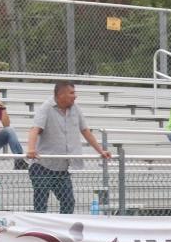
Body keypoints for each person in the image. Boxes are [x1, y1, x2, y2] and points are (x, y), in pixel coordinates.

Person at [26, 81, 112, 213]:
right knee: (40, 204)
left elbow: (85, 131)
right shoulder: (46, 107)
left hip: (62, 169)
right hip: (41, 167)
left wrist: (101, 151)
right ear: (60, 95)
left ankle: (63, 231)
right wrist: (31, 149)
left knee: (68, 202)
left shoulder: (75, 108)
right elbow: (34, 129)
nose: (75, 96)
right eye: (71, 93)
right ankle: (40, 232)